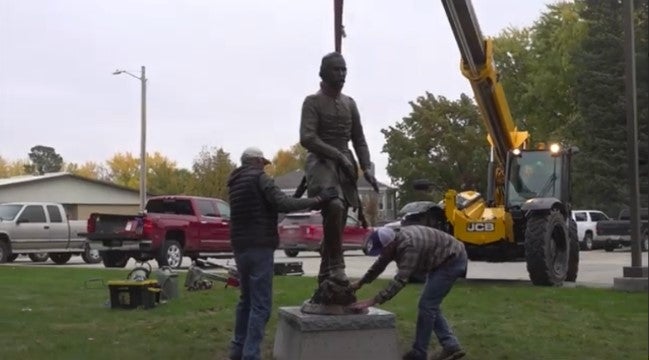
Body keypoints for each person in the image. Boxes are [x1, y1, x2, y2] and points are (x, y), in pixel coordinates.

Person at [227, 146, 337, 360]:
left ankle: (237, 349)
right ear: (257, 161)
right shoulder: (260, 178)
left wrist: (297, 195)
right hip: (260, 246)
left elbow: (269, 209)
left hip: (241, 246)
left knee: (246, 300)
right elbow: (281, 202)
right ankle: (251, 355)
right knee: (261, 305)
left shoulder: (235, 183)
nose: (265, 166)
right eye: (263, 163)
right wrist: (318, 200)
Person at [299, 51, 379, 308]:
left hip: (345, 165)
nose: (342, 75)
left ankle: (326, 274)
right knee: (333, 206)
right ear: (323, 73)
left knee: (340, 217)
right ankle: (338, 264)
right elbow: (307, 138)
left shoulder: (350, 103)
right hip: (321, 162)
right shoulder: (312, 102)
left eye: (344, 70)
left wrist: (366, 168)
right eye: (336, 70)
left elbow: (359, 139)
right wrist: (336, 154)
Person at [350, 225, 468, 360]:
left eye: (382, 250)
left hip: (452, 260)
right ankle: (451, 345)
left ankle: (419, 353)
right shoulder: (392, 242)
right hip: (440, 259)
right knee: (430, 306)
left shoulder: (409, 247)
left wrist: (373, 300)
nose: (382, 254)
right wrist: (360, 283)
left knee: (427, 306)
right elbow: (379, 265)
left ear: (391, 245)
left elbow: (400, 281)